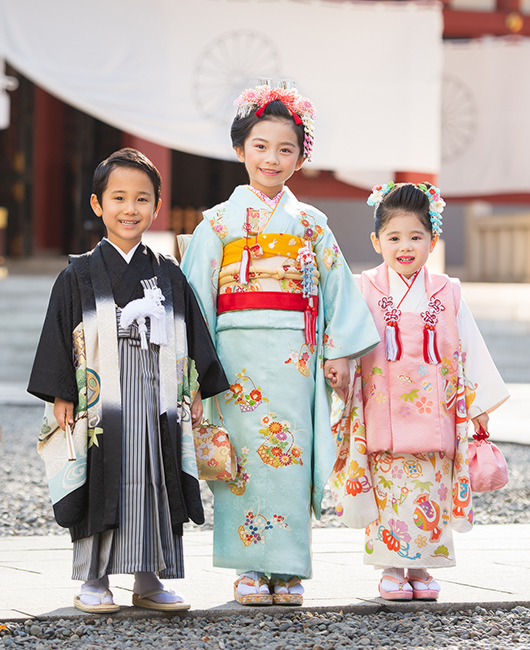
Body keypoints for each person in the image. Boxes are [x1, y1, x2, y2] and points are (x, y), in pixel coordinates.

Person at [180, 80, 379, 605]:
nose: (272, 158)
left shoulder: (313, 225)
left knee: (289, 459)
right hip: (233, 360)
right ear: (240, 149)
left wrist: (337, 351)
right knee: (241, 459)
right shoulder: (217, 225)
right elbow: (194, 300)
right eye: (261, 146)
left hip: (296, 357)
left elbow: (337, 290)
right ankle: (248, 565)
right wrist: (198, 370)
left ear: (300, 157)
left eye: (285, 149)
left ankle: (288, 569)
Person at [28, 148, 228, 613]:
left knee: (154, 477)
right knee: (100, 478)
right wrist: (61, 391)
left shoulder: (167, 273)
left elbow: (189, 333)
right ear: (98, 205)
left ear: (156, 206)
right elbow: (59, 331)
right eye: (118, 198)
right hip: (99, 396)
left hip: (156, 395)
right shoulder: (77, 273)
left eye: (142, 199)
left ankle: (149, 576)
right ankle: (94, 580)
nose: (130, 209)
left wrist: (194, 384)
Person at [330, 181, 509, 601]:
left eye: (416, 236)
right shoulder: (364, 288)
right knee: (388, 485)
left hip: (436, 413)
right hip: (381, 409)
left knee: (431, 486)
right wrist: (339, 373)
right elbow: (345, 340)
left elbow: (469, 347)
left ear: (433, 240)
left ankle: (423, 568)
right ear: (376, 241)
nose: (405, 246)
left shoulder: (448, 291)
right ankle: (392, 566)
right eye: (394, 237)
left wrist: (478, 404)